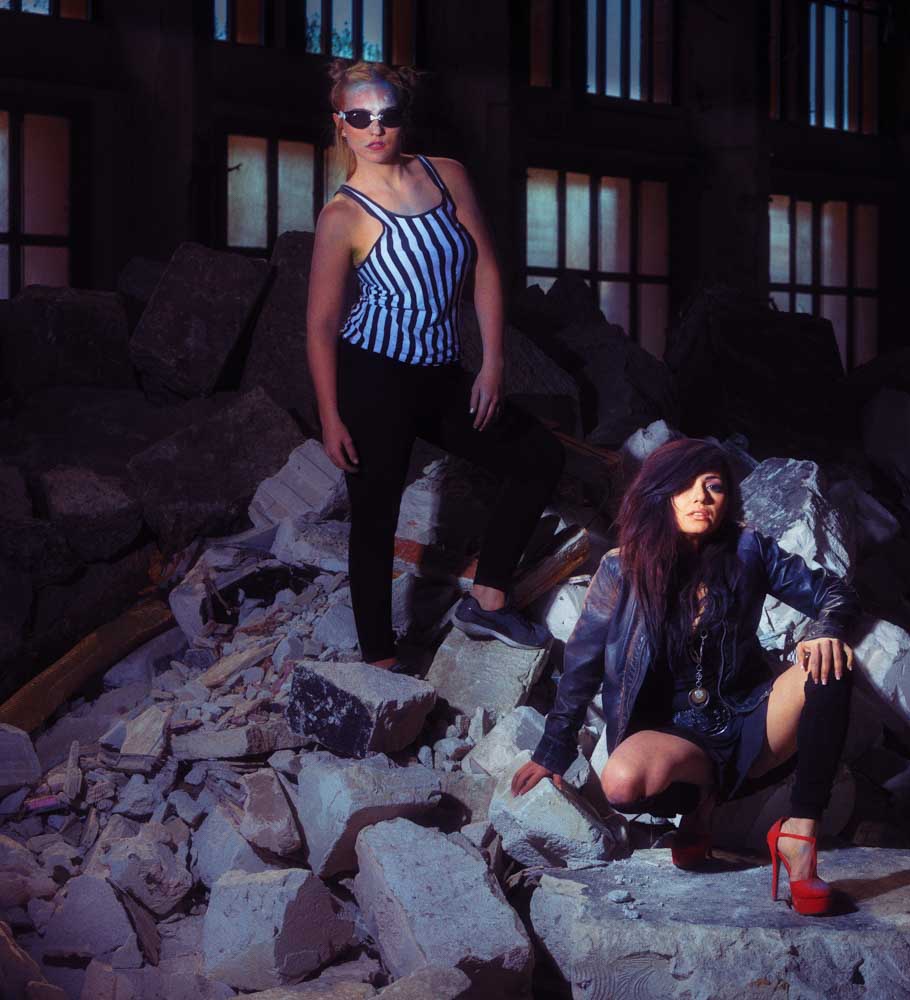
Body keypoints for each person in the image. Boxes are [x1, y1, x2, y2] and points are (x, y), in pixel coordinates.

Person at [510, 438, 861, 915]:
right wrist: (554, 746)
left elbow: (834, 593)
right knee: (621, 783)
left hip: (749, 715)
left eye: (713, 487)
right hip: (674, 735)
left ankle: (800, 836)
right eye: (686, 486)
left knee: (832, 663)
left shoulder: (748, 548)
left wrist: (825, 630)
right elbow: (583, 661)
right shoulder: (622, 567)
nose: (701, 497)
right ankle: (700, 806)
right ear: (661, 494)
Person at [306, 60, 563, 666]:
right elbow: (319, 325)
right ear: (341, 125)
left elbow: (488, 269)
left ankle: (489, 599)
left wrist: (493, 361)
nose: (376, 129)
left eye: (387, 116)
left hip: (441, 372)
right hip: (372, 375)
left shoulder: (447, 176)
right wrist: (329, 415)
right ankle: (380, 660)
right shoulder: (341, 216)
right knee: (375, 516)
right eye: (361, 118)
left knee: (537, 457)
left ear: (403, 118)